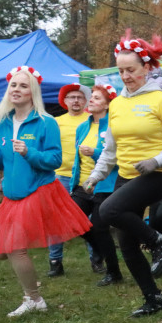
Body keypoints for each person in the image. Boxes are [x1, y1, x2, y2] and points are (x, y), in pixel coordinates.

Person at [83, 32, 162, 318]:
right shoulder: (115, 105)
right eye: (121, 70)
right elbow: (110, 150)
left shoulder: (161, 100)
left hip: (156, 174)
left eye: (131, 70)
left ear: (147, 68)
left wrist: (156, 160)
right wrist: (94, 176)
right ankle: (153, 298)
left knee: (108, 210)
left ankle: (160, 242)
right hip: (126, 176)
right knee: (126, 243)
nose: (126, 76)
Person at [0, 67, 92, 316]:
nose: (16, 90)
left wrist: (29, 152)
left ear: (33, 92)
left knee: (15, 248)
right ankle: (33, 294)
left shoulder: (46, 122)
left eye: (23, 85)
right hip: (13, 194)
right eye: (13, 85)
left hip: (37, 191)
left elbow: (54, 160)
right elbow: (2, 163)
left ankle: (34, 299)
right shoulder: (3, 123)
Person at [69, 84, 124, 287]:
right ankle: (100, 250)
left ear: (108, 105)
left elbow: (118, 159)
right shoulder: (82, 127)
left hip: (105, 185)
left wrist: (95, 152)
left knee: (100, 228)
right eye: (91, 97)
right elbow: (78, 160)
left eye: (97, 98)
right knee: (73, 220)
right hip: (82, 185)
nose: (91, 100)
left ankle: (114, 272)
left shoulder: (114, 126)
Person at [47, 83, 91, 277]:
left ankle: (96, 259)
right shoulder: (55, 122)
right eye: (71, 97)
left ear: (85, 101)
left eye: (79, 97)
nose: (75, 101)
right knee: (56, 220)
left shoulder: (92, 120)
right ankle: (55, 262)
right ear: (64, 101)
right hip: (61, 176)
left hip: (86, 178)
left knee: (89, 220)